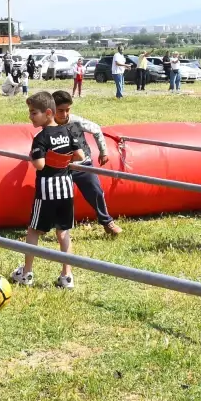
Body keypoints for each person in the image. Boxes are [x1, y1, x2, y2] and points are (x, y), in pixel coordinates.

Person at [11, 91, 86, 289]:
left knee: (33, 230)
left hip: (46, 192)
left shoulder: (41, 137)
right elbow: (79, 155)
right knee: (63, 232)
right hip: (66, 190)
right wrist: (63, 158)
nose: (30, 116)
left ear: (48, 113)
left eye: (34, 113)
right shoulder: (68, 131)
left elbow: (39, 165)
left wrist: (33, 154)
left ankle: (26, 273)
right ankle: (67, 276)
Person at [52, 91, 122, 236]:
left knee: (95, 191)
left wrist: (103, 152)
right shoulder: (49, 125)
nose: (64, 114)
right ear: (52, 109)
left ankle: (107, 221)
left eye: (67, 110)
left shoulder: (76, 121)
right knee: (61, 196)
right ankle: (61, 226)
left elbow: (96, 129)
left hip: (83, 164)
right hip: (62, 167)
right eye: (60, 110)